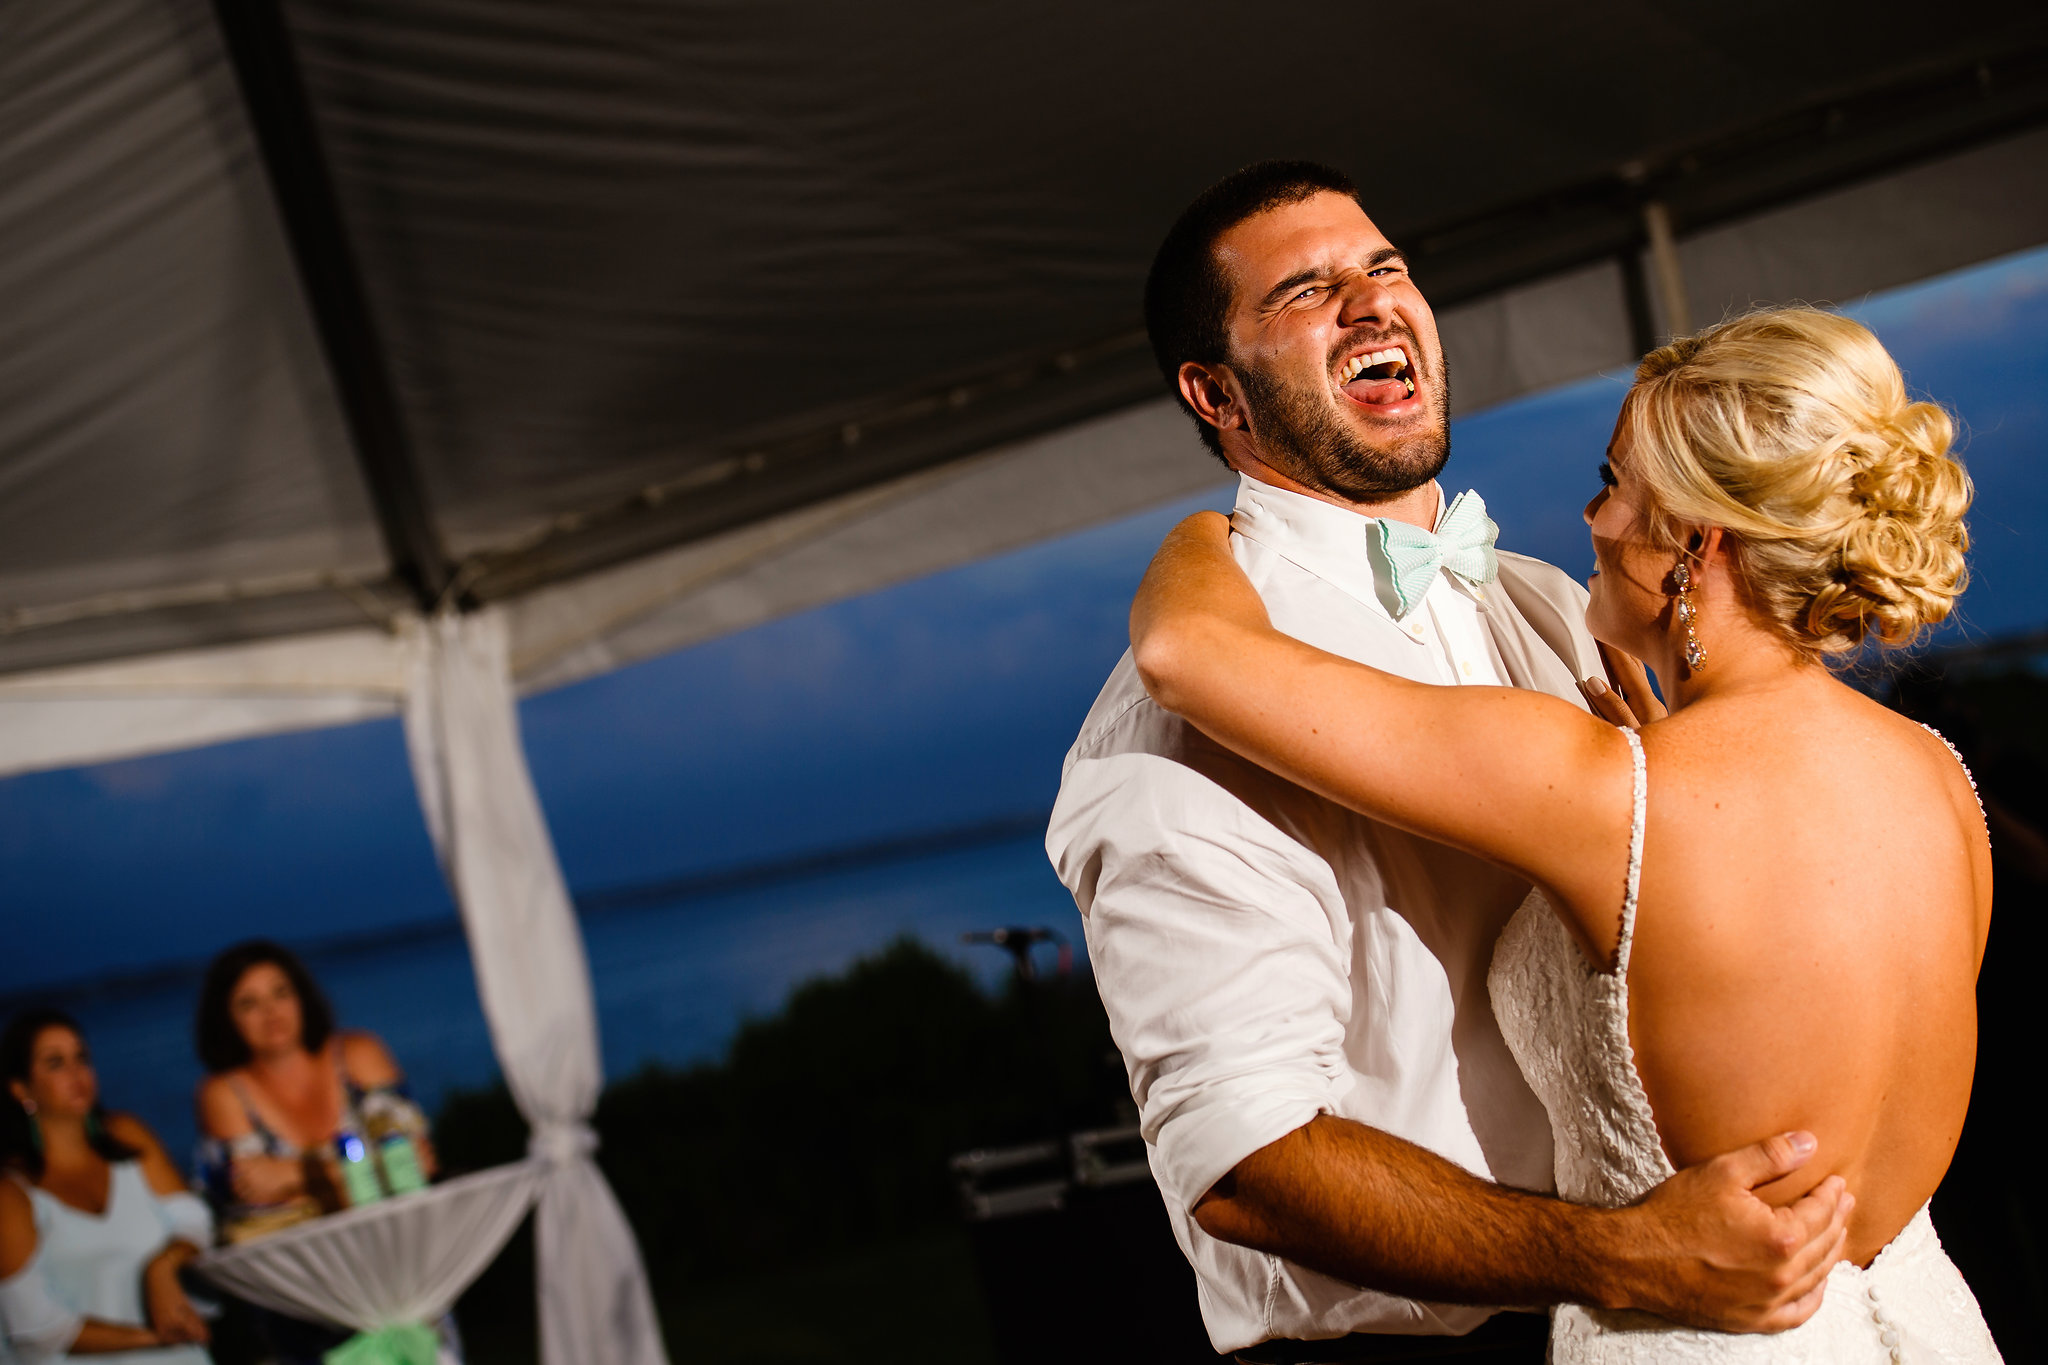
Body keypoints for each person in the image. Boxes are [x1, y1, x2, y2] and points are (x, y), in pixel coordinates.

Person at [1044, 162, 1852, 1363]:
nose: (1371, 303)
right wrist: (1618, 1255)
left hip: (1681, 1306)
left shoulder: (1545, 600)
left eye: (1384, 268)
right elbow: (1241, 1157)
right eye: (1305, 292)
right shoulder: (1178, 715)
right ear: (1215, 392)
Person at [1125, 302, 2000, 1359]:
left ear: (1694, 540)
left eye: (1615, 482)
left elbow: (1181, 653)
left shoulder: (1606, 792)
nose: (1590, 515)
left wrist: (1208, 526)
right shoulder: (1939, 780)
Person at [0, 1009, 213, 1363]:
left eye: (81, 1057)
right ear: (21, 1088)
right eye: (55, 1063)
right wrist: (154, 1338)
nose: (76, 1073)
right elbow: (35, 1331)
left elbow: (195, 1221)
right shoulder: (13, 1194)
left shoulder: (127, 1138)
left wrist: (162, 1266)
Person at [192, 939, 434, 1230]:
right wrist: (364, 1173)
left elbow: (418, 1161)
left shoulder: (359, 1055)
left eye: (280, 993)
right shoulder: (223, 1093)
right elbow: (254, 1208)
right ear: (226, 1019)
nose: (270, 1012)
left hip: (396, 1230)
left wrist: (292, 1176)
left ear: (302, 997)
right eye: (249, 1003)